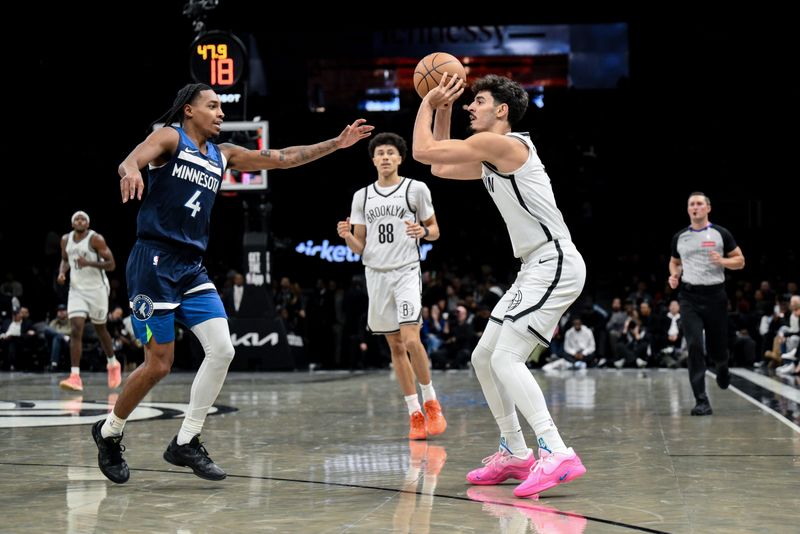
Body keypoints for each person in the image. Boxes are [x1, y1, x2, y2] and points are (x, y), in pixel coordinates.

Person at [92, 82, 373, 484]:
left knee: (223, 349)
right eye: (212, 106)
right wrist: (131, 170)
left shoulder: (222, 155)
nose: (220, 112)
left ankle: (186, 441)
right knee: (159, 365)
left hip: (191, 266)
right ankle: (109, 432)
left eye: (221, 106)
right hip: (153, 263)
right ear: (189, 110)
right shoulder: (171, 137)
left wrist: (336, 143)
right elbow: (131, 160)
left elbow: (283, 158)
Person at [413, 74, 586, 497]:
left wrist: (428, 102)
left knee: (507, 358)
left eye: (479, 101)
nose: (472, 107)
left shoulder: (506, 144)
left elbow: (420, 152)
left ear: (502, 111)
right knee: (484, 357)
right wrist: (447, 108)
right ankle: (515, 451)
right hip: (533, 265)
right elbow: (439, 166)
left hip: (554, 260)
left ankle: (556, 450)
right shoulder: (491, 152)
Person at [337, 132, 447, 440]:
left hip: (406, 271)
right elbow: (359, 247)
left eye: (390, 153)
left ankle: (431, 401)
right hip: (376, 273)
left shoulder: (416, 189)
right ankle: (414, 412)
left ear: (400, 158)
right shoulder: (362, 196)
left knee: (412, 340)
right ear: (373, 160)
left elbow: (436, 230)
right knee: (395, 347)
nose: (385, 157)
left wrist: (422, 231)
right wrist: (347, 235)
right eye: (380, 153)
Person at [668, 192, 745, 415]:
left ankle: (722, 368)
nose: (695, 207)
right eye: (691, 204)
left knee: (718, 348)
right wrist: (674, 276)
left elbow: (740, 260)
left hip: (715, 296)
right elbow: (674, 263)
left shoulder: (721, 234)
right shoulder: (680, 237)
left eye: (700, 204)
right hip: (689, 296)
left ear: (708, 208)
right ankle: (701, 400)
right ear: (688, 209)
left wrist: (723, 261)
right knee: (694, 345)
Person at [57, 211, 121, 391]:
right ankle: (75, 376)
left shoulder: (96, 239)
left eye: (82, 219)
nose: (79, 220)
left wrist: (89, 263)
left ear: (88, 223)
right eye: (76, 218)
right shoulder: (65, 240)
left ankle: (112, 363)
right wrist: (62, 272)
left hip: (97, 290)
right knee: (76, 329)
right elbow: (64, 260)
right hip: (77, 290)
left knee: (100, 328)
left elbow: (111, 264)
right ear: (72, 223)